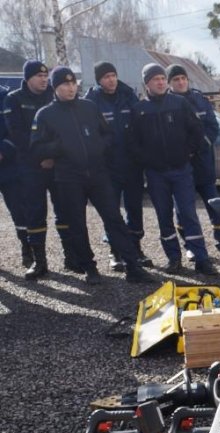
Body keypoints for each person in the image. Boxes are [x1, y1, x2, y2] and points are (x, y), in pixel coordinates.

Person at [30, 66, 155, 285]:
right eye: (65, 84)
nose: (71, 88)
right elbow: (36, 148)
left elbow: (107, 134)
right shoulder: (46, 115)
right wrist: (59, 147)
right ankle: (89, 268)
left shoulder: (89, 107)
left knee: (114, 219)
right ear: (55, 87)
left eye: (73, 83)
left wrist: (98, 146)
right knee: (77, 224)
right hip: (69, 178)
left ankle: (133, 267)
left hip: (98, 174)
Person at [129, 63, 217, 275]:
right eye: (155, 79)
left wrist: (188, 152)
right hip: (156, 174)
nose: (160, 82)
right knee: (164, 216)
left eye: (162, 78)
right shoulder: (139, 110)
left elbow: (196, 131)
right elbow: (133, 143)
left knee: (188, 214)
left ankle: (201, 259)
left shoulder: (179, 103)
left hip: (181, 170)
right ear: (146, 84)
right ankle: (174, 258)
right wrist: (148, 160)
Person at [3, 60, 76, 279]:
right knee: (35, 213)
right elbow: (17, 134)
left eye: (46, 76)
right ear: (28, 79)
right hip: (30, 167)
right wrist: (41, 157)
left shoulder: (53, 96)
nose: (44, 80)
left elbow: (63, 131)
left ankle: (71, 257)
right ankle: (39, 262)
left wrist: (52, 156)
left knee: (64, 210)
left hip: (56, 164)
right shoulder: (14, 99)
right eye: (39, 76)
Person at [85, 61, 151, 271]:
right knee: (111, 211)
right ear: (99, 80)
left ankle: (136, 248)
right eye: (106, 77)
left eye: (113, 75)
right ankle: (115, 251)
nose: (111, 80)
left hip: (131, 164)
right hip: (107, 167)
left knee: (134, 208)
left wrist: (140, 153)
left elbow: (141, 125)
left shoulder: (128, 95)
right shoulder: (91, 101)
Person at [166, 64, 220, 258]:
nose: (181, 82)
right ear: (169, 83)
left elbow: (212, 126)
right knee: (183, 209)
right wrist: (183, 152)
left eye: (183, 78)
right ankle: (189, 246)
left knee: (215, 207)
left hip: (203, 163)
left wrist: (200, 145)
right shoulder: (166, 103)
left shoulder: (200, 100)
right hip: (181, 165)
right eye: (176, 79)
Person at [0, 85, 30, 269]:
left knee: (19, 211)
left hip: (9, 167)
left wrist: (3, 151)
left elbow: (16, 130)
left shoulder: (7, 98)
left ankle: (28, 249)